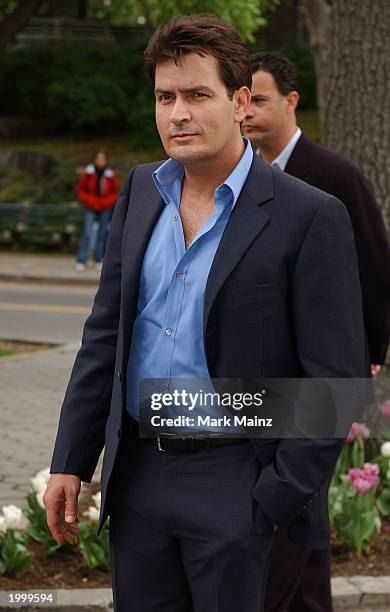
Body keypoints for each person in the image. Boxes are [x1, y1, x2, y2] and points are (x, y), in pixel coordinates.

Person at [43, 16, 367, 612]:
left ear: (240, 101)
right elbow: (104, 338)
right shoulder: (140, 191)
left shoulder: (309, 216)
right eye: (165, 97)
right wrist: (70, 458)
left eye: (197, 95)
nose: (177, 114)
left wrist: (270, 499)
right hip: (139, 478)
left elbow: (333, 384)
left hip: (236, 480)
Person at [242, 51, 390, 612]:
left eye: (259, 98)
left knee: (296, 513)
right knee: (301, 525)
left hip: (321, 377)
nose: (248, 111)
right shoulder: (242, 177)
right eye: (243, 100)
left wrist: (371, 350)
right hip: (264, 380)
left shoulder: (333, 175)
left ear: (290, 100)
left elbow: (376, 266)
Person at [75, 151, 120, 271]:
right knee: (87, 233)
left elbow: (116, 192)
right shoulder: (88, 173)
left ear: (106, 160)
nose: (101, 161)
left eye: (103, 159)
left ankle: (98, 259)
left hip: (105, 207)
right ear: (95, 160)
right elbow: (81, 190)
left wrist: (107, 202)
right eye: (99, 159)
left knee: (102, 235)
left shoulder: (110, 175)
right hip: (90, 206)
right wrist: (88, 200)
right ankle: (81, 260)